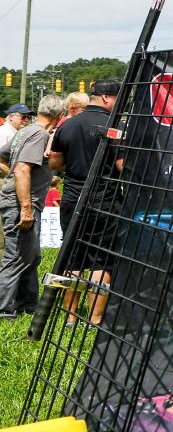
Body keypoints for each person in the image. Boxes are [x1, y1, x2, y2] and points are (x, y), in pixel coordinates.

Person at [48, 78, 122, 325]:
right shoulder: (113, 126)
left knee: (73, 258)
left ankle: (70, 316)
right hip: (105, 200)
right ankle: (95, 318)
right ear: (105, 98)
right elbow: (122, 165)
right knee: (102, 259)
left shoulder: (66, 126)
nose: (117, 103)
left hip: (72, 199)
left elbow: (55, 163)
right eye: (116, 98)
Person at [0, 95, 65, 318]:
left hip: (17, 200)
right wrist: (25, 207)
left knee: (32, 255)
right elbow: (22, 170)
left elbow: (3, 155)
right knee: (16, 257)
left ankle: (27, 303)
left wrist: (9, 174)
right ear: (59, 115)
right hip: (21, 204)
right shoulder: (38, 134)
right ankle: (4, 309)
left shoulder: (24, 132)